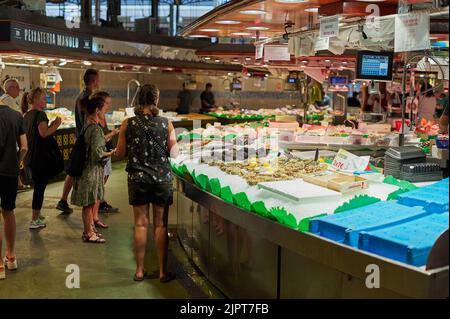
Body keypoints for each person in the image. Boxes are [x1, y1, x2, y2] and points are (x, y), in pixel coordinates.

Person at [116, 84, 179, 282]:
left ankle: (140, 270)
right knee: (160, 225)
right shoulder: (166, 124)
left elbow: (120, 153)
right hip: (161, 179)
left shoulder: (127, 124)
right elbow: (174, 153)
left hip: (137, 178)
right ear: (155, 100)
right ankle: (162, 272)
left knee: (140, 224)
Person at [71, 97, 114, 243]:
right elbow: (98, 154)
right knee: (88, 204)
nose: (104, 113)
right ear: (97, 110)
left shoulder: (87, 125)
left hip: (85, 170)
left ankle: (89, 231)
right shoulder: (95, 129)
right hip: (91, 172)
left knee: (88, 204)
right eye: (103, 110)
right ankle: (88, 233)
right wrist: (112, 152)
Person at [56, 69, 100, 214]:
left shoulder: (83, 96)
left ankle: (63, 200)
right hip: (84, 139)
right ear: (94, 81)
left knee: (73, 170)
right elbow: (88, 120)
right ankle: (91, 204)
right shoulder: (87, 98)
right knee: (78, 171)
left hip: (80, 137)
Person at [22, 88, 62, 229]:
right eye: (44, 99)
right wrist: (56, 125)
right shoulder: (40, 115)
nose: (46, 101)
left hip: (30, 156)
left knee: (39, 187)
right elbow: (44, 134)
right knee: (40, 188)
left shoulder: (27, 115)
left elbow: (37, 134)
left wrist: (50, 126)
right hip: (40, 158)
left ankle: (37, 214)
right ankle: (34, 219)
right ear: (37, 100)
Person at [0, 98, 28, 279]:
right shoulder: (16, 116)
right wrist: (16, 165)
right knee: (8, 212)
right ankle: (11, 257)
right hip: (9, 172)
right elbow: (24, 147)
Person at [90, 91, 120, 221]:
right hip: (100, 157)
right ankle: (93, 217)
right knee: (97, 187)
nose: (108, 106)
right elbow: (99, 140)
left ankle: (96, 213)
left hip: (106, 155)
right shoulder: (93, 124)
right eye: (106, 104)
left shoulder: (102, 118)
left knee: (101, 186)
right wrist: (113, 133)